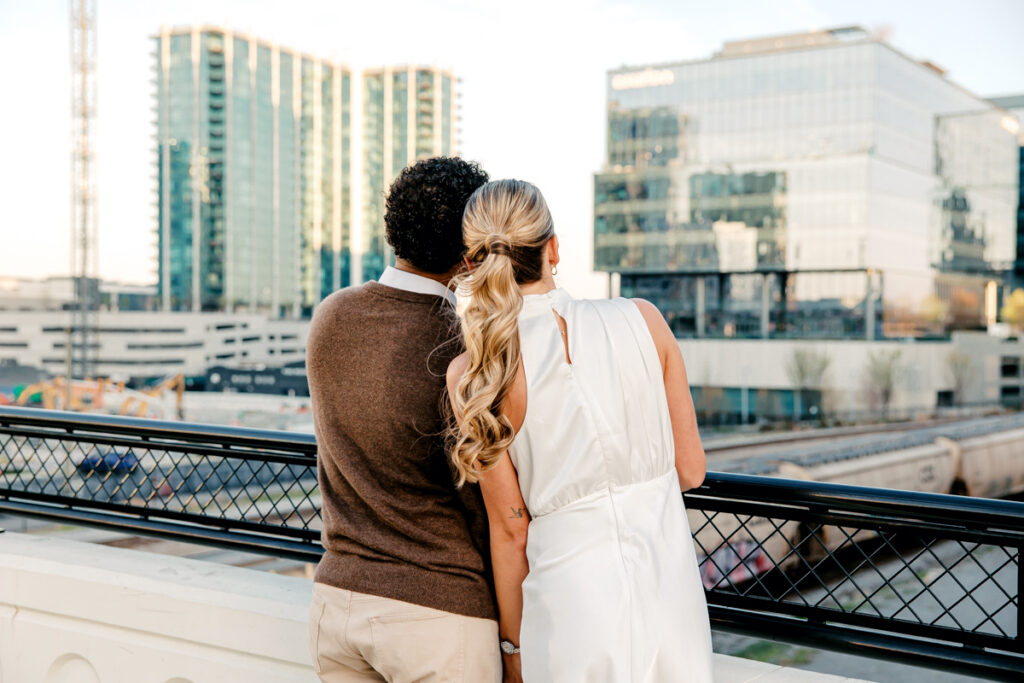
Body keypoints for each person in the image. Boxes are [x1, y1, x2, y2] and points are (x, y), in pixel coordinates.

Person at [446, 179, 714, 682]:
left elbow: (510, 531)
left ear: (471, 264)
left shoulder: (477, 374)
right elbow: (691, 469)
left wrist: (513, 650)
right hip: (667, 590)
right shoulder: (644, 319)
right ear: (553, 248)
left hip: (567, 609)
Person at [306, 157, 501, 682]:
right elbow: (489, 499)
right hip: (438, 612)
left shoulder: (330, 315)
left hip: (337, 599)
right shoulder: (465, 351)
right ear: (470, 254)